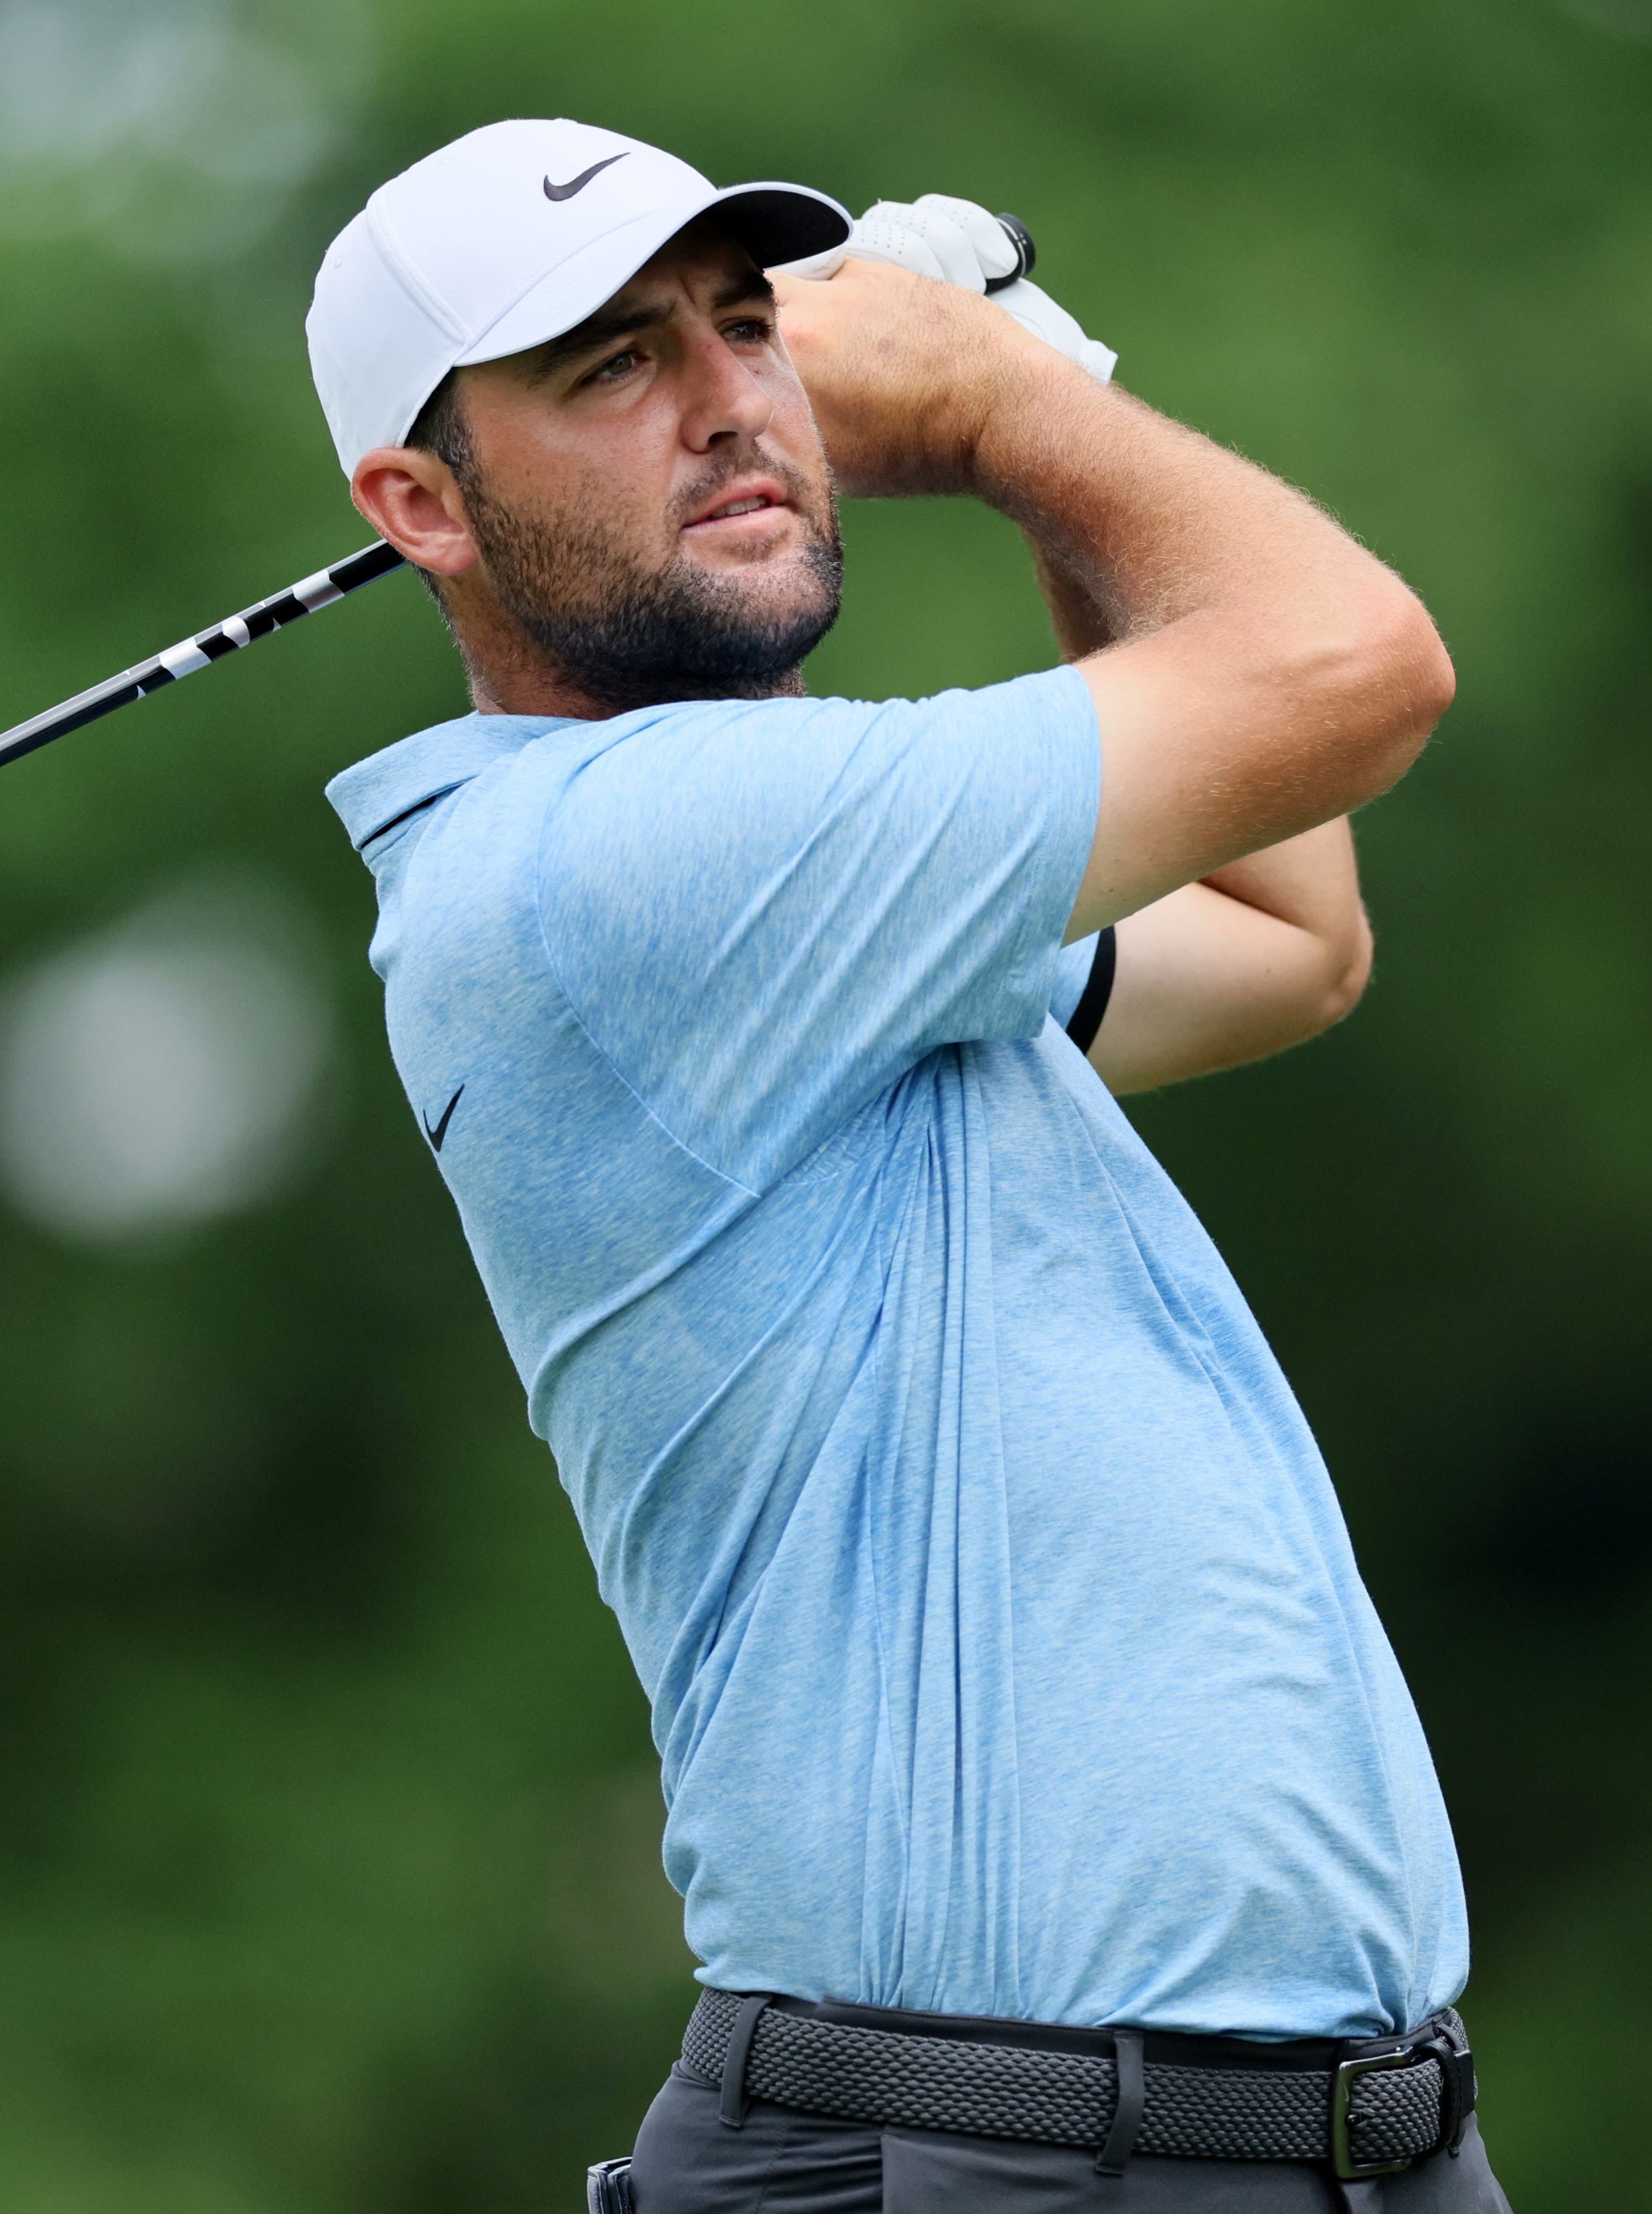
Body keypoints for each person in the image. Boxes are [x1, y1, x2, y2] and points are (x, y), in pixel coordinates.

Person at [306, 118, 1502, 2214]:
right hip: (1023, 2148)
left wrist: (1043, 377)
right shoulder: (630, 859)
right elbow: (1352, 670)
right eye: (608, 365)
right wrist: (986, 402)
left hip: (1290, 2140)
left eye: (745, 325)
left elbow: (1283, 937)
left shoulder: (817, 936)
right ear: (421, 504)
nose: (727, 401)